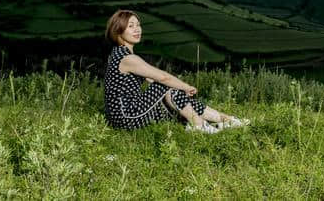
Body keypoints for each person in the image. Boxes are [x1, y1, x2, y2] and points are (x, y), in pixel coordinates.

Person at [103, 9, 249, 134]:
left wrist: (178, 90)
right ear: (118, 31)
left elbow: (152, 79)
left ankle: (226, 120)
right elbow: (163, 78)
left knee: (175, 94)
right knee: (167, 85)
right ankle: (199, 125)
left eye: (138, 25)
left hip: (124, 115)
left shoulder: (119, 54)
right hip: (126, 118)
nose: (137, 29)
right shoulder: (127, 58)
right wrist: (185, 86)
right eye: (131, 26)